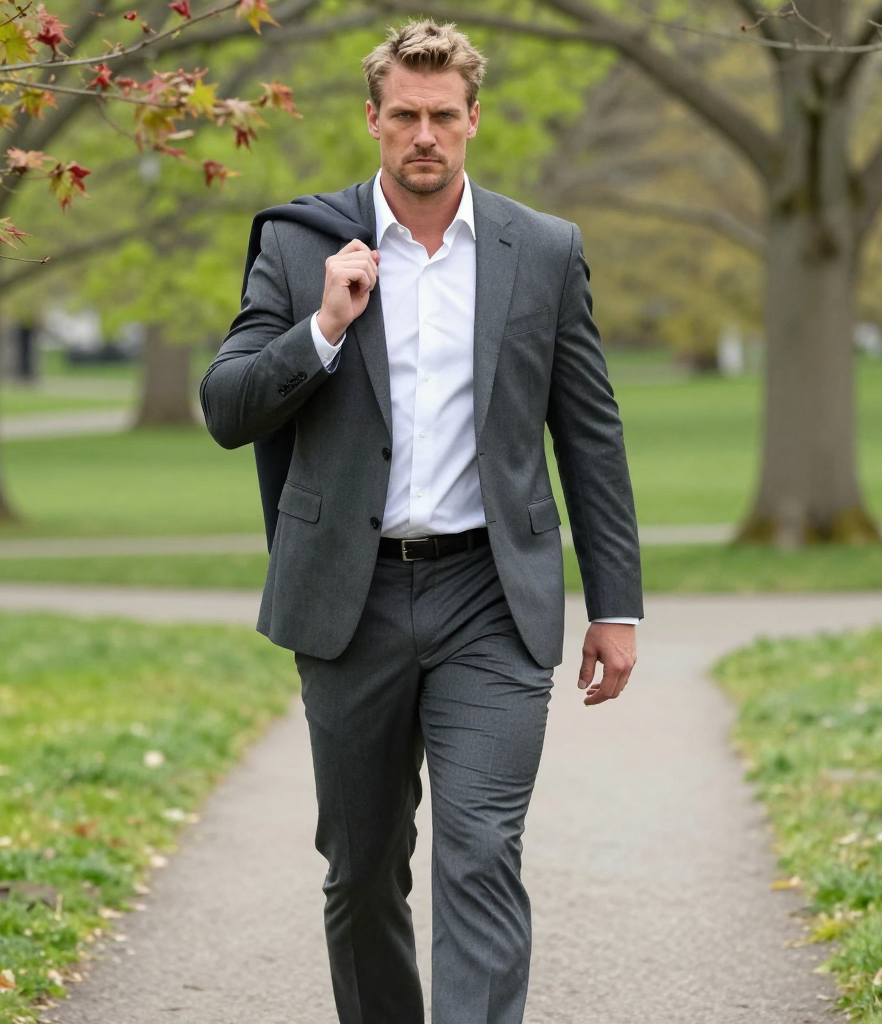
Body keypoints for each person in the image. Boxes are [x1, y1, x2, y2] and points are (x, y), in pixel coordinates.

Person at [200, 20, 642, 1024]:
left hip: (490, 591)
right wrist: (322, 327)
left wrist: (617, 606)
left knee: (481, 848)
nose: (424, 135)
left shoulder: (543, 250)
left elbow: (591, 436)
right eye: (404, 115)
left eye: (444, 116)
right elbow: (226, 409)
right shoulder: (300, 243)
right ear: (373, 119)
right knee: (360, 872)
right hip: (348, 599)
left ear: (474, 121)